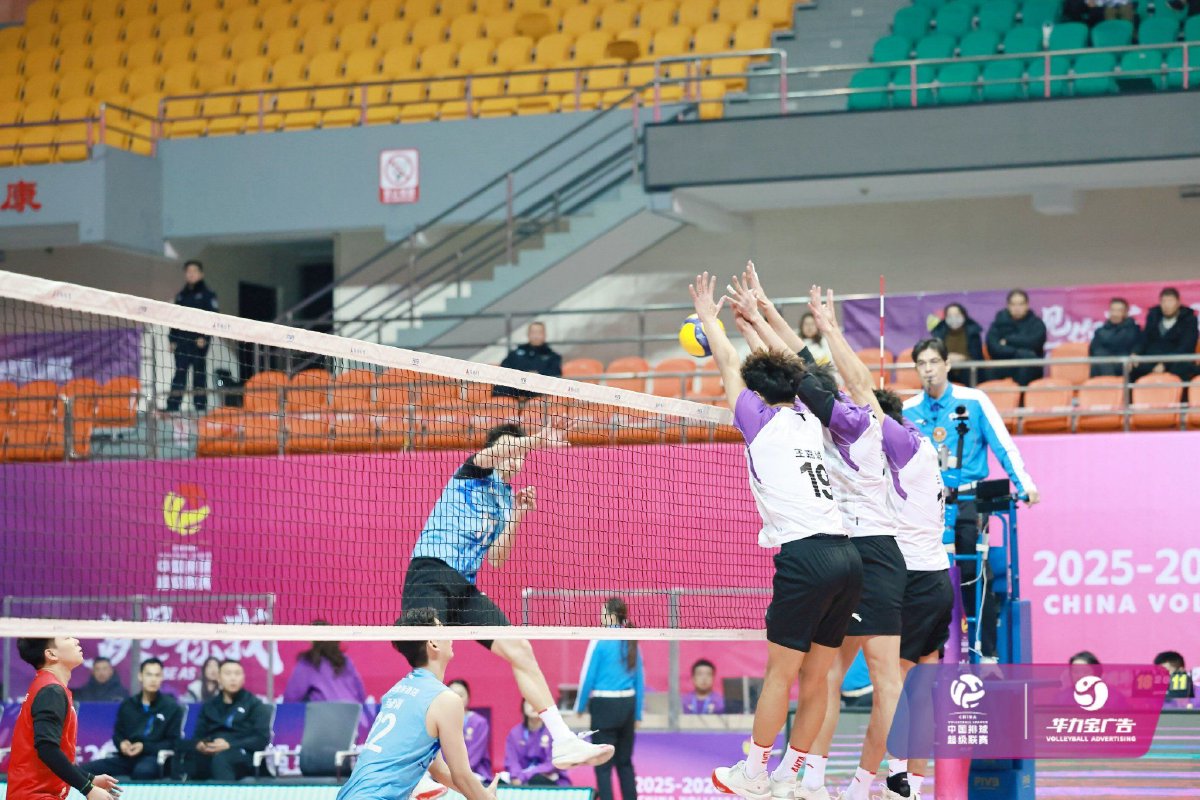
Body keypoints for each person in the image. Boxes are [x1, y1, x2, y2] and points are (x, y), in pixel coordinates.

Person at [684, 270, 861, 800]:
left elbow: (725, 361)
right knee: (817, 677)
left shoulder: (756, 419)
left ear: (759, 392)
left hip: (806, 557)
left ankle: (755, 771)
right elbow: (798, 367)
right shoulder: (811, 416)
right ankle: (792, 775)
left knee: (780, 674)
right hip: (847, 557)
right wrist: (757, 320)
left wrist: (712, 319)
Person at [401, 421, 613, 770]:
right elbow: (495, 452)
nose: (516, 458)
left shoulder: (504, 500)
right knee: (431, 660)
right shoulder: (472, 472)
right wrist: (535, 440)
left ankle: (563, 741)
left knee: (520, 648)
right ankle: (417, 764)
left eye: (521, 454)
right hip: (431, 572)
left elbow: (497, 559)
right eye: (510, 450)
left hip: (465, 587)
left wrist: (517, 515)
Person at [792, 284, 912, 800]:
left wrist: (820, 328)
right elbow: (808, 366)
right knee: (834, 674)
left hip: (871, 552)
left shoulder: (855, 422)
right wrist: (774, 317)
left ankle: (888, 776)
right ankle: (826, 779)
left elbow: (813, 373)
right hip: (864, 553)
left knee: (868, 675)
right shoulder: (858, 424)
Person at [904, 338, 1039, 662]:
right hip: (926, 505)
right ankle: (928, 655)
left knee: (975, 573)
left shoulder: (974, 400)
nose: (928, 369)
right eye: (922, 364)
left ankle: (985, 653)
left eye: (934, 362)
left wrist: (1025, 484)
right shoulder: (907, 409)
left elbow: (1002, 444)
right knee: (923, 578)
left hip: (969, 499)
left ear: (947, 365)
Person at [873, 387, 954, 800]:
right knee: (921, 694)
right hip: (938, 578)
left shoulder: (901, 449)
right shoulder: (921, 445)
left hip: (916, 579)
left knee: (898, 687)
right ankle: (914, 788)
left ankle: (898, 778)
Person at [336, 608, 500, 800]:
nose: (450, 634)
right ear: (433, 642)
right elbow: (461, 775)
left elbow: (440, 771)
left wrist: (481, 793)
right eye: (442, 628)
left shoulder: (397, 691)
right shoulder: (446, 700)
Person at [9, 637, 121, 800]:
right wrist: (88, 789)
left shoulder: (49, 686)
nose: (75, 640)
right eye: (67, 638)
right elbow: (47, 749)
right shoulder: (51, 691)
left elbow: (56, 752)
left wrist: (90, 779)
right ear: (51, 654)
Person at [575, 597, 644, 800]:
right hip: (627, 706)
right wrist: (638, 713)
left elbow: (588, 676)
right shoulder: (631, 639)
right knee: (624, 763)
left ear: (612, 616)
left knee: (603, 765)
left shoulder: (599, 638)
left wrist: (579, 706)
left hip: (604, 706)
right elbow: (639, 679)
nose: (600, 615)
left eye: (603, 612)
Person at [82, 658, 184, 781]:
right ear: (140, 676)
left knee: (142, 772)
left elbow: (174, 742)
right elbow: (118, 735)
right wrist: (122, 744)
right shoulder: (128, 705)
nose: (153, 679)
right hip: (126, 758)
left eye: (157, 675)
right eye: (149, 674)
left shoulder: (171, 707)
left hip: (154, 758)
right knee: (84, 770)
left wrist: (144, 747)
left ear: (162, 678)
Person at [173, 660, 271, 782]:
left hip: (242, 753)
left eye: (237, 674)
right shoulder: (209, 706)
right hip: (213, 750)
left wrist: (229, 745)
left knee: (222, 758)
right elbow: (199, 735)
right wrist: (201, 744)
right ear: (218, 678)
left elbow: (261, 738)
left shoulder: (255, 705)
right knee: (185, 752)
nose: (233, 678)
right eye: (228, 674)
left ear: (243, 678)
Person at [166, 260, 219, 413]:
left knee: (199, 376)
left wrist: (205, 337)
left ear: (201, 274)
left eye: (194, 271)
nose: (191, 274)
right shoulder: (181, 296)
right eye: (188, 271)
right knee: (179, 374)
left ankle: (200, 408)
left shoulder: (208, 295)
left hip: (198, 343)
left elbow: (213, 318)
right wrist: (172, 339)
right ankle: (172, 407)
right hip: (182, 342)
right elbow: (175, 320)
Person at [283, 624, 368, 704]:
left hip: (327, 713)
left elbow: (291, 697)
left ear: (311, 640)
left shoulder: (309, 661)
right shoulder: (345, 660)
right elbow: (361, 695)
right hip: (355, 712)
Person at [1134, 288, 1198, 381]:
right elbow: (1144, 338)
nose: (1166, 305)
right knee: (1132, 366)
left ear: (1178, 303)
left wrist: (1165, 364)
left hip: (1176, 361)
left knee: (1183, 368)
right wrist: (1136, 352)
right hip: (1152, 360)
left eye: (1170, 301)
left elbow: (1186, 346)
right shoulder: (1153, 316)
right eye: (1164, 301)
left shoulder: (1189, 319)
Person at [985, 290, 1046, 386]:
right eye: (1013, 304)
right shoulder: (998, 323)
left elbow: (1034, 343)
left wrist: (1008, 341)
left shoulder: (1036, 324)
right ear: (1008, 306)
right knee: (988, 373)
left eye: (1021, 304)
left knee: (1026, 366)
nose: (1017, 308)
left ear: (1027, 305)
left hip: (1030, 366)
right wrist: (1020, 352)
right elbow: (993, 348)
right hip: (1004, 364)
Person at [504, 701, 570, 786]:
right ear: (523, 707)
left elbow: (552, 764)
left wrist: (526, 775)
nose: (533, 705)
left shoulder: (554, 732)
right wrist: (515, 776)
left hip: (548, 779)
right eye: (529, 702)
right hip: (520, 779)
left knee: (536, 779)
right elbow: (512, 761)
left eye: (535, 701)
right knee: (498, 781)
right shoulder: (514, 733)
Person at [493, 322, 563, 399]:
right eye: (533, 332)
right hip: (517, 386)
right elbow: (504, 368)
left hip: (538, 387)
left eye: (539, 332)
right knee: (500, 388)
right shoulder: (515, 353)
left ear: (544, 335)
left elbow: (556, 374)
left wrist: (538, 375)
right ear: (528, 334)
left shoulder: (553, 356)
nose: (536, 336)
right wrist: (521, 375)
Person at [930, 303, 985, 387]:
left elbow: (977, 357)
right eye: (950, 315)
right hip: (946, 368)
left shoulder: (973, 332)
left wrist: (964, 358)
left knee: (970, 373)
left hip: (967, 369)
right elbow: (934, 356)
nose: (953, 318)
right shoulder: (939, 333)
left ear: (964, 316)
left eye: (956, 315)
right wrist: (947, 358)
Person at [449, 680, 493, 782]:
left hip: (474, 773)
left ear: (468, 698)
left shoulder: (479, 722)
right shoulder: (441, 721)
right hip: (447, 773)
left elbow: (475, 754)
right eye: (452, 695)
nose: (456, 698)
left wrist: (458, 772)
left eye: (460, 695)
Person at [1089, 298, 1142, 378]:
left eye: (1119, 311)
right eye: (1112, 310)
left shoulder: (1134, 330)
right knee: (1099, 356)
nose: (1115, 314)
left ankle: (1109, 383)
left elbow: (1137, 347)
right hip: (1102, 365)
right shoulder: (1100, 331)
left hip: (1123, 366)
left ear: (1126, 313)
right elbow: (1093, 350)